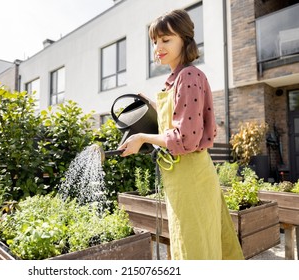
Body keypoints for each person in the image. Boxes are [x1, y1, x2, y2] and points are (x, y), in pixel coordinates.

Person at [118, 9, 244, 260]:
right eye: (155, 41)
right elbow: (176, 123)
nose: (158, 47)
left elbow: (185, 138)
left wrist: (142, 139)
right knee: (194, 243)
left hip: (191, 177)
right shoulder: (175, 79)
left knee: (195, 247)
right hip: (182, 176)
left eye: (166, 40)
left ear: (184, 40)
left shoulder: (188, 76)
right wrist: (153, 106)